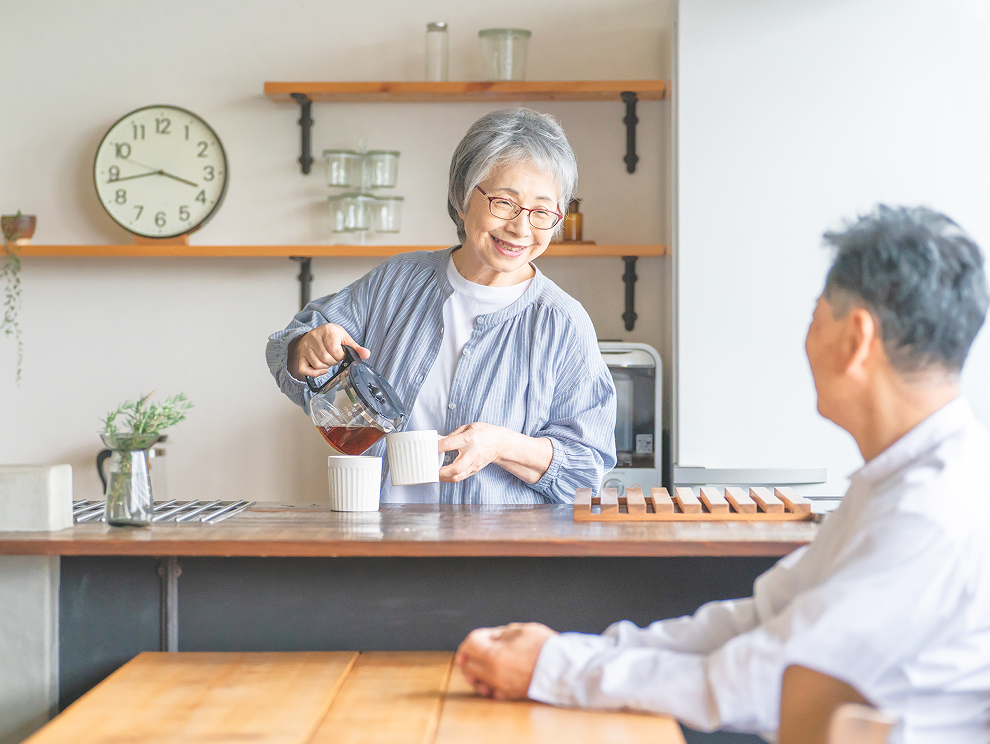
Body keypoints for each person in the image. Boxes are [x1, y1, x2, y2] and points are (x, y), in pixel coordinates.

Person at [455, 205, 990, 742]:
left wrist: (554, 671)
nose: (806, 337)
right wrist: (565, 653)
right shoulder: (899, 482)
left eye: (815, 314)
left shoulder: (932, 509)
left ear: (855, 339)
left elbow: (762, 681)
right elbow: (756, 620)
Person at [266, 108, 616, 504]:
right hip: (385, 547)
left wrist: (501, 445)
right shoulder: (398, 281)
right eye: (504, 202)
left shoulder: (563, 322)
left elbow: (587, 470)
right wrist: (307, 348)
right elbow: (285, 352)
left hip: (500, 559)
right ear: (462, 197)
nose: (521, 228)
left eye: (542, 211)